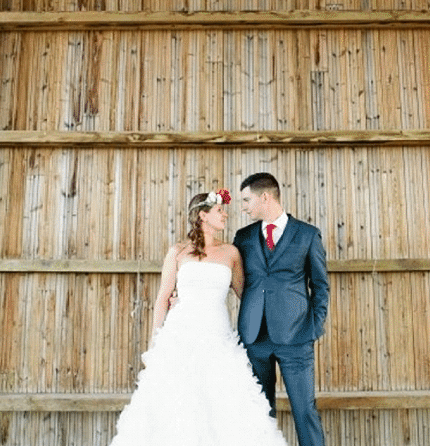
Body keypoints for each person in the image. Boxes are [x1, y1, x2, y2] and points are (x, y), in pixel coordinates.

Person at [108, 189, 288, 446]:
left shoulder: (231, 253)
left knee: (224, 405)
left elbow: (247, 297)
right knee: (176, 406)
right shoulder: (178, 252)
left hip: (218, 339)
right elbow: (162, 299)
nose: (225, 214)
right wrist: (155, 345)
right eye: (219, 210)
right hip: (180, 336)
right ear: (203, 215)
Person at [234, 172, 329, 446]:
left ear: (265, 197)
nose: (243, 207)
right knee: (260, 414)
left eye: (246, 200)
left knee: (305, 411)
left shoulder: (308, 235)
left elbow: (321, 286)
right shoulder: (243, 237)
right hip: (255, 339)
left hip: (297, 338)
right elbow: (228, 273)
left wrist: (314, 325)